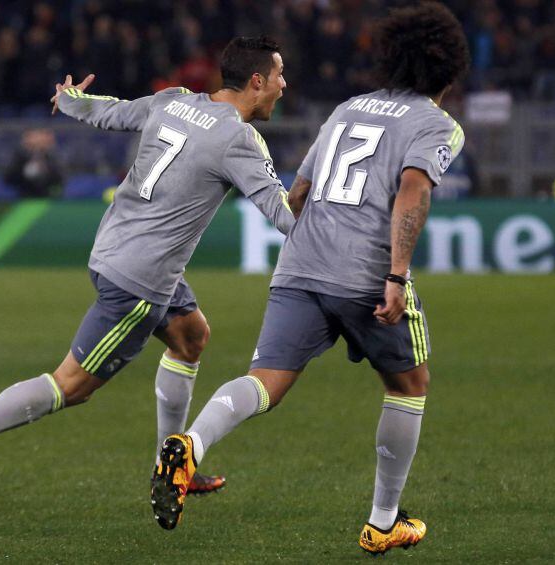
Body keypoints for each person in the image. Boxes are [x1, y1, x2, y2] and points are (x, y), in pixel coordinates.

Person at [0, 36, 293, 504]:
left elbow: (111, 112)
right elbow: (287, 217)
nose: (284, 86)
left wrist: (69, 99)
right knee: (70, 386)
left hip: (117, 249)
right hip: (140, 280)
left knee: (191, 337)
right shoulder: (239, 139)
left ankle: (168, 466)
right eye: (278, 76)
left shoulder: (173, 101)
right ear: (255, 82)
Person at [151, 3, 469, 557]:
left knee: (265, 380)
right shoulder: (436, 124)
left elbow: (298, 190)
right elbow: (413, 190)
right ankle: (382, 522)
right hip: (366, 270)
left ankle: (190, 443)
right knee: (408, 386)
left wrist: (304, 250)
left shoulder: (347, 109)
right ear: (449, 68)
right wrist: (395, 275)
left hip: (301, 262)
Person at [4, 128, 64, 198]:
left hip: (47, 199)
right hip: (23, 198)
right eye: (32, 143)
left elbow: (61, 179)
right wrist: (23, 168)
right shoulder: (20, 158)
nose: (37, 144)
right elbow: (8, 179)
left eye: (41, 141)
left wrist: (46, 168)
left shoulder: (52, 158)